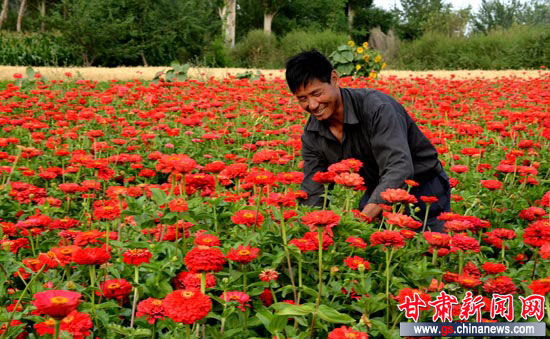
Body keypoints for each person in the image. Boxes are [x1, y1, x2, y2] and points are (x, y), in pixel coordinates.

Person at [285, 50, 450, 232]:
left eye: (316, 93)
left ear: (334, 78)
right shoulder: (312, 133)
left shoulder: (377, 109)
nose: (313, 105)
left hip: (423, 190)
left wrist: (362, 220)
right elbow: (314, 189)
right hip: (376, 187)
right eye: (302, 99)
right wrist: (311, 231)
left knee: (426, 250)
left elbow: (399, 167)